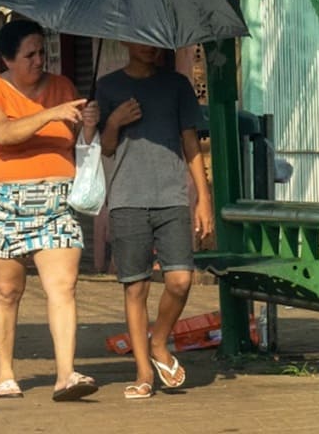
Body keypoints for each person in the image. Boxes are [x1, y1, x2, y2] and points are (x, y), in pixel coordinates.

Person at [0, 19, 100, 402]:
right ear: (8, 58)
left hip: (57, 201)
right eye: (30, 54)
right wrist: (50, 114)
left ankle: (66, 374)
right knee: (8, 290)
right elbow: (3, 134)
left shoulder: (62, 88)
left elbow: (77, 141)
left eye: (43, 52)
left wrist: (88, 124)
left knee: (63, 287)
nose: (39, 60)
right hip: (6, 202)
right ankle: (6, 373)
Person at [95, 42, 215, 400]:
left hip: (171, 199)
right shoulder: (107, 86)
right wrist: (114, 121)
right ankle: (144, 370)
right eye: (142, 41)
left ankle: (159, 341)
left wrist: (203, 198)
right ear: (126, 41)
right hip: (127, 199)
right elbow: (104, 147)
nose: (150, 48)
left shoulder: (177, 85)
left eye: (156, 43)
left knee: (180, 280)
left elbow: (190, 142)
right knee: (136, 287)